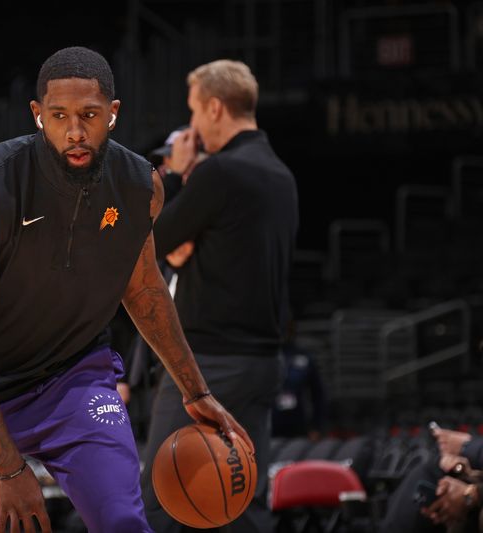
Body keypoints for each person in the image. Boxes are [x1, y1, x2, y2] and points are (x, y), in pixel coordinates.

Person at [0, 46, 251, 533]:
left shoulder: (139, 187)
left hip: (71, 381)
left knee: (122, 522)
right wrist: (8, 466)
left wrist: (196, 390)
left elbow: (145, 289)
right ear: (37, 116)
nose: (75, 131)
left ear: (113, 114)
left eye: (89, 115)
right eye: (59, 116)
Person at [140, 59, 299, 533]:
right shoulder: (280, 175)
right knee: (240, 503)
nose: (191, 126)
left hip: (210, 362)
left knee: (163, 499)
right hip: (263, 362)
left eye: (193, 113)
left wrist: (176, 175)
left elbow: (149, 242)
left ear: (214, 107)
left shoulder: (220, 173)